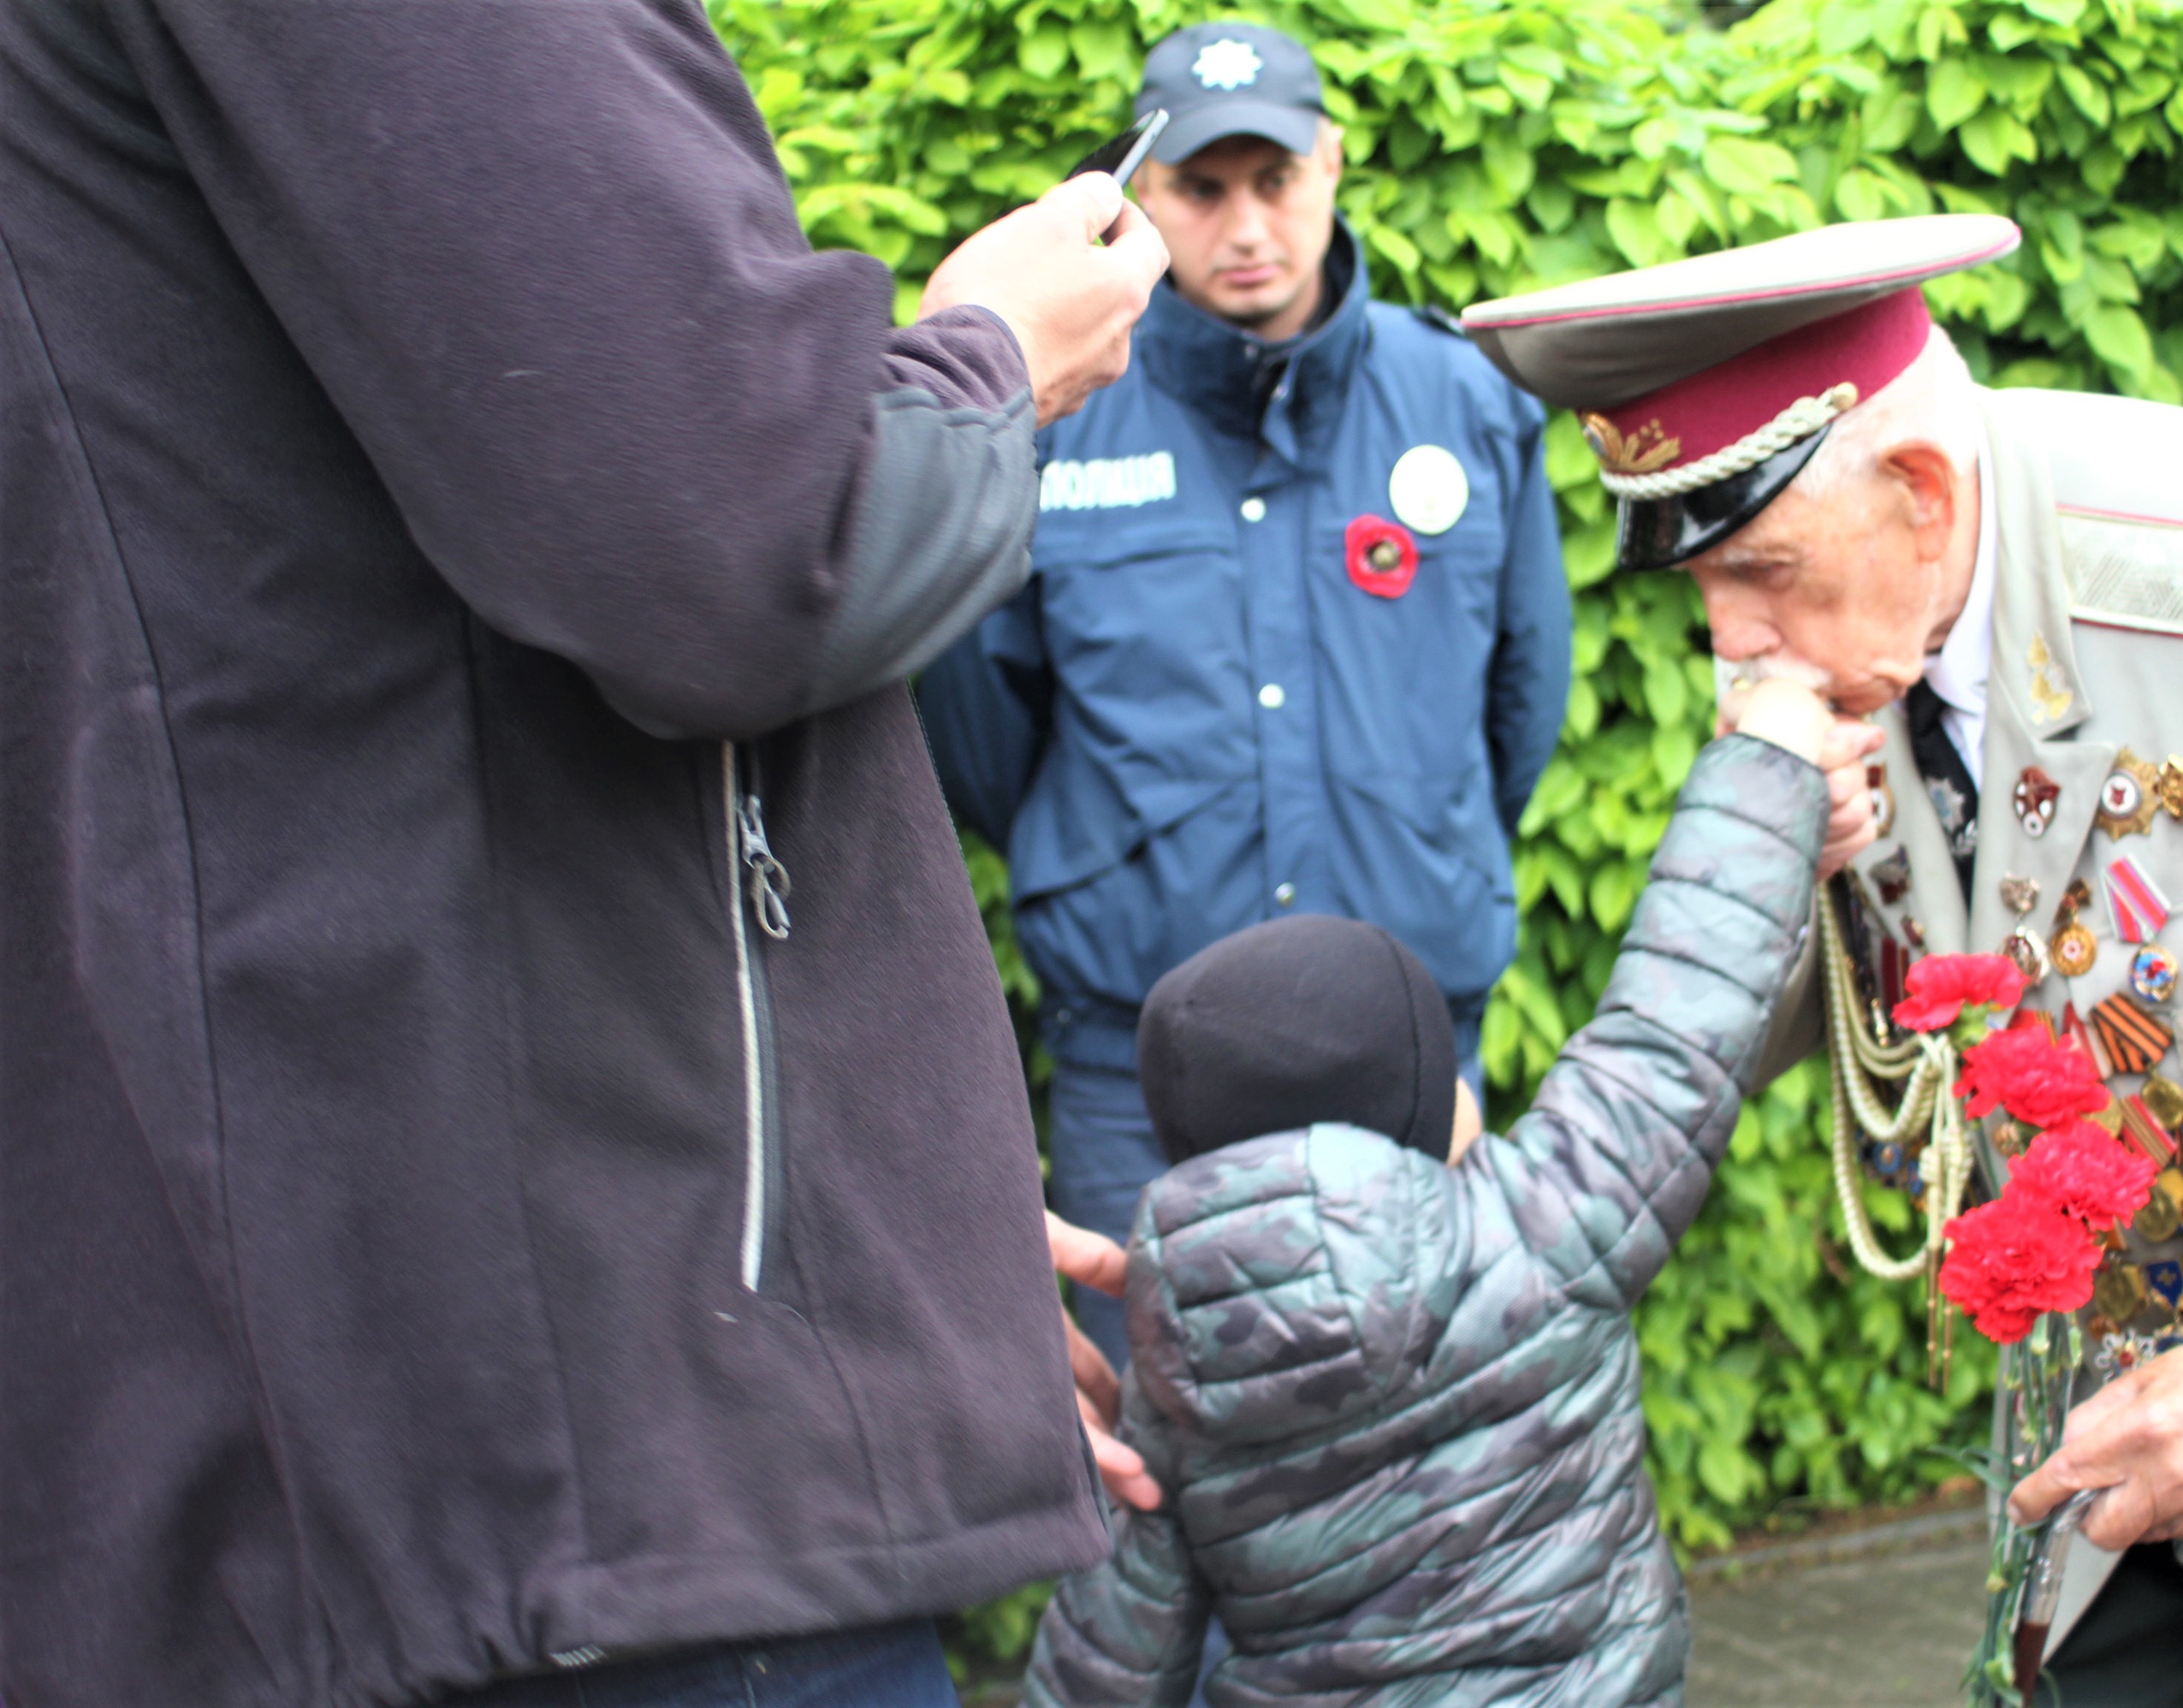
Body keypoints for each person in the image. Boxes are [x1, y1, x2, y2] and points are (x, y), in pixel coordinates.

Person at [0, 1, 1172, 1704]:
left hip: (274, 1459)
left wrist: (887, 1259)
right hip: (567, 1500)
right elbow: (750, 543)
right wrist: (991, 353)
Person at [1463, 214, 2183, 1707]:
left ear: (1920, 492)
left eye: (1766, 574)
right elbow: (1810, 1031)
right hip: (2098, 1494)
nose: (1736, 646)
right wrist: (1782, 852)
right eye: (1704, 586)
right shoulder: (1847, 632)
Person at [914, 23, 1572, 1367]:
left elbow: (1521, 699)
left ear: (1331, 164)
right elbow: (982, 720)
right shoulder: (1051, 414)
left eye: (1276, 177)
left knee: (1440, 1446)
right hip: (1138, 1063)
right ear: (1143, 200)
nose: (1247, 223)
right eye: (1204, 188)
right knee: (1167, 1460)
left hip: (1410, 1046)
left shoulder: (1463, 399)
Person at [1021, 677, 1843, 1707]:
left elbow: (1107, 1658)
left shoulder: (1181, 1366)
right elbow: (1678, 1021)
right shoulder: (1539, 1229)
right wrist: (1771, 758)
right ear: (1413, 1108)